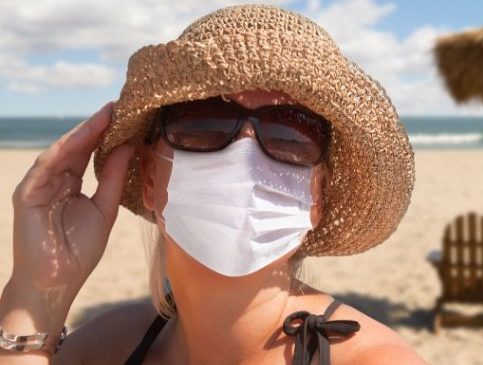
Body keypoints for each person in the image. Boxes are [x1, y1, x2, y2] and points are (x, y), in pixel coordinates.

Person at [0, 5, 422, 365]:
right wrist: (37, 294)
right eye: (203, 123)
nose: (243, 153)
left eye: (289, 135)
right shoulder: (107, 345)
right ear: (149, 177)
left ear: (316, 197)